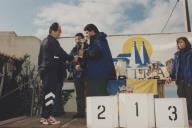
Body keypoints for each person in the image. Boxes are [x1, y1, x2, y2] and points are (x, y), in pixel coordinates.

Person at [38, 22, 76, 125]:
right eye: (59, 31)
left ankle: (48, 116)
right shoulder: (51, 41)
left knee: (50, 95)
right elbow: (61, 54)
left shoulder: (45, 41)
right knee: (49, 94)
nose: (60, 33)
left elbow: (54, 56)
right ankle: (44, 117)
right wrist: (72, 57)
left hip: (47, 71)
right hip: (50, 72)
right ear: (53, 31)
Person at [81, 24, 116, 96]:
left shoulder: (98, 40)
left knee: (99, 98)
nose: (85, 35)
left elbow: (96, 54)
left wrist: (85, 53)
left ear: (92, 32)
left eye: (87, 32)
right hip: (96, 75)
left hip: (99, 75)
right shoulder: (95, 41)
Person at [166, 37, 192, 123]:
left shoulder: (191, 53)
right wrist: (170, 76)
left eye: (181, 42)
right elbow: (174, 68)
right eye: (178, 43)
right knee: (182, 100)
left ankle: (191, 119)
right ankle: (185, 119)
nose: (179, 44)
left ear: (186, 43)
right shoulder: (176, 54)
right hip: (180, 82)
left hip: (189, 81)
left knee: (190, 101)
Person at [70, 33, 88, 118]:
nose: (77, 40)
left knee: (89, 95)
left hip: (87, 75)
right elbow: (69, 60)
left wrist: (81, 65)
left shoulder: (88, 47)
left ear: (83, 39)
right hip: (77, 76)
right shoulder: (73, 49)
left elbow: (89, 60)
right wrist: (74, 65)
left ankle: (91, 111)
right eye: (76, 39)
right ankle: (80, 113)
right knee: (79, 95)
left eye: (79, 39)